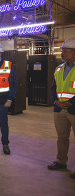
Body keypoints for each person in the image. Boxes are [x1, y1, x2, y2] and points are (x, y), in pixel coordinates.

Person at [49, 38, 75, 179]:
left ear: (74, 52)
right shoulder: (59, 68)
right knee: (62, 138)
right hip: (59, 109)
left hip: (73, 109)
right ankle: (61, 162)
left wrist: (72, 102)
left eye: (66, 50)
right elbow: (53, 88)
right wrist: (55, 101)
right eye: (62, 50)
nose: (62, 52)